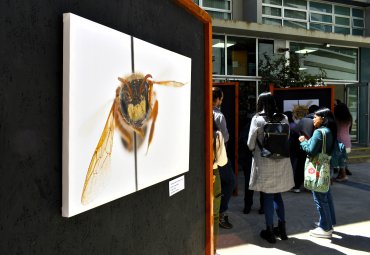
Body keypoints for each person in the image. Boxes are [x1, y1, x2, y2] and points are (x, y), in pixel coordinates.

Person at [247, 92, 294, 243]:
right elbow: (286, 138)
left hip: (265, 161)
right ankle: (283, 230)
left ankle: (270, 231)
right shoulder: (284, 118)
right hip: (282, 162)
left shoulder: (257, 119)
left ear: (260, 103)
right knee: (278, 196)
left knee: (267, 195)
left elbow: (250, 143)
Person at [299, 108, 337, 238]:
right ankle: (328, 222)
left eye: (316, 117)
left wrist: (303, 141)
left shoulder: (319, 133)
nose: (313, 119)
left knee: (320, 198)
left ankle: (326, 228)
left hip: (317, 169)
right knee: (327, 196)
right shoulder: (330, 131)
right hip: (326, 167)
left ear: (323, 118)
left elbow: (310, 150)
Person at [212, 87, 236, 229]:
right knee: (230, 182)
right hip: (218, 156)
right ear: (219, 99)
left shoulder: (201, 109)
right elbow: (224, 137)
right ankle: (221, 213)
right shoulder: (219, 116)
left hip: (205, 156)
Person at [239, 117, 264, 215]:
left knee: (249, 183)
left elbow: (244, 141)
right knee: (261, 183)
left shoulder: (250, 126)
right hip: (261, 157)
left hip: (250, 157)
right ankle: (262, 206)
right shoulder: (266, 124)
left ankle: (248, 206)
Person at [212, 118, 228, 255]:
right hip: (213, 173)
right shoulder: (216, 133)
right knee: (215, 215)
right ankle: (213, 248)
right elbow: (222, 161)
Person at [334, 102, 353, 181]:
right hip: (348, 140)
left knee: (340, 159)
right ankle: (341, 175)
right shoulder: (349, 118)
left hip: (339, 139)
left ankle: (344, 175)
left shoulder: (337, 118)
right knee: (343, 158)